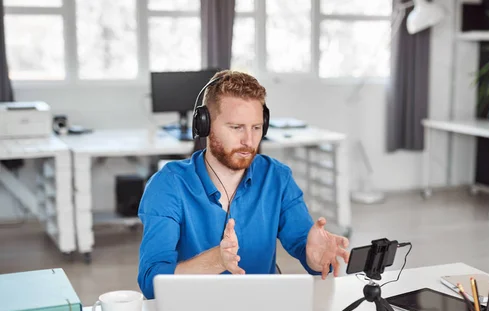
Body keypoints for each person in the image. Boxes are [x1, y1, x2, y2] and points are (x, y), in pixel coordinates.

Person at [137, 70, 350, 299]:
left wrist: (313, 257)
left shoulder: (276, 177)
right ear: (205, 124)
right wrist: (216, 261)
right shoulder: (168, 185)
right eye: (236, 127)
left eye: (256, 128)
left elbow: (302, 243)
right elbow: (151, 281)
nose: (249, 141)